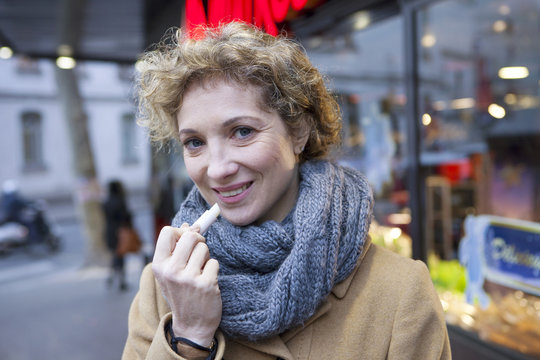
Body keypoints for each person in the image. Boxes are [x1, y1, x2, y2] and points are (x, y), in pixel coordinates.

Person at [123, 22, 451, 359]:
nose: (218, 169)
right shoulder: (165, 284)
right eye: (194, 142)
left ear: (299, 132)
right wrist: (189, 336)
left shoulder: (400, 292)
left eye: (242, 132)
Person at [103, 180, 132, 291]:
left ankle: (111, 276)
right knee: (120, 256)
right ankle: (121, 281)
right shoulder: (120, 201)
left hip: (109, 231)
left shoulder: (106, 202)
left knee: (114, 254)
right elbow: (126, 217)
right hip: (120, 231)